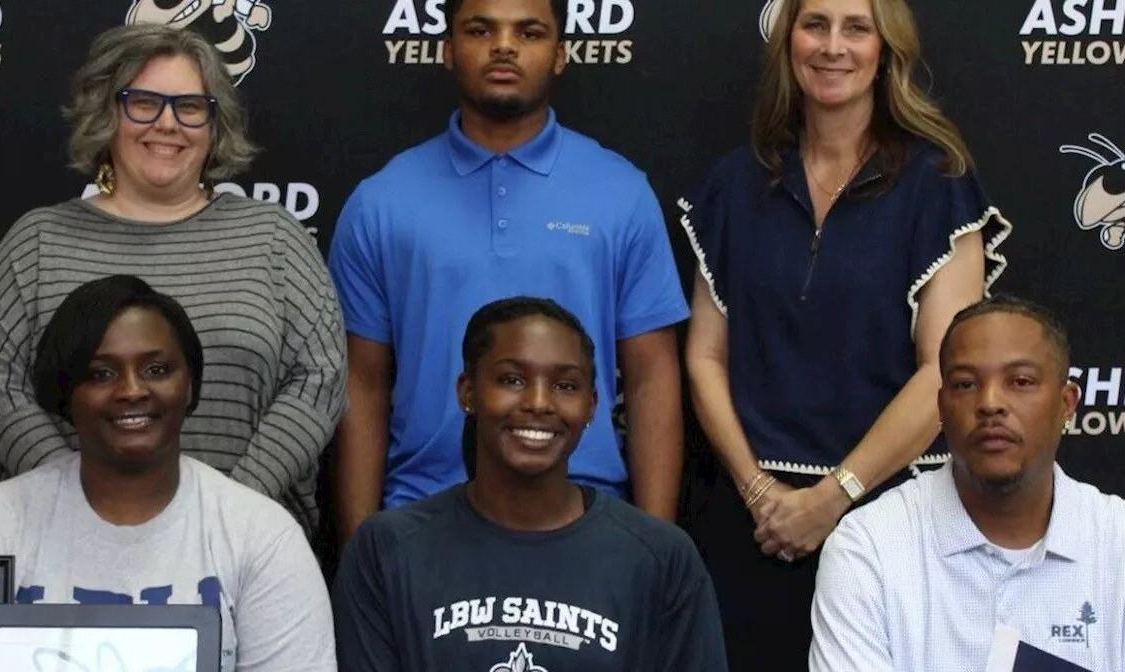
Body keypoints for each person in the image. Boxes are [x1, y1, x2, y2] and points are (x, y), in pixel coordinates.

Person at [681, 0, 1014, 667]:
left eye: (856, 28)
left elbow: (943, 372)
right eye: (816, 24)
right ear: (788, 41)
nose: (833, 46)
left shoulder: (938, 182)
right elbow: (704, 357)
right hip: (753, 521)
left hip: (892, 515)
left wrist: (833, 500)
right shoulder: (734, 182)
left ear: (886, 49)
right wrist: (761, 495)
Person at [328, 0, 689, 547]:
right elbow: (362, 383)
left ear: (560, 54)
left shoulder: (621, 193)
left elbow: (651, 379)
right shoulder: (380, 202)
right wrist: (361, 549)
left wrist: (658, 553)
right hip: (422, 515)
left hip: (587, 518)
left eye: (528, 31)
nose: (503, 45)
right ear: (447, 48)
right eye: (480, 29)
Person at [0, 24, 345, 539]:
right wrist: (81, 505)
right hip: (60, 542)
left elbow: (319, 381)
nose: (168, 124)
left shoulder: (272, 237)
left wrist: (228, 510)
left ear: (213, 124)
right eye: (143, 102)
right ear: (106, 113)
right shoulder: (38, 241)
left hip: (241, 543)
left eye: (189, 106)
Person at [0, 275, 336, 672]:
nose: (132, 390)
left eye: (156, 370)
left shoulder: (262, 537)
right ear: (67, 394)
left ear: (190, 386)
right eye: (101, 373)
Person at [331, 296, 727, 671]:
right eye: (512, 379)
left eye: (565, 385)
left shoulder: (661, 558)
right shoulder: (386, 550)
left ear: (591, 405)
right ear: (468, 392)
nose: (539, 402)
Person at [810, 294, 1125, 671]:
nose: (990, 403)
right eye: (965, 384)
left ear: (1068, 403)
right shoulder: (869, 545)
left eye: (1020, 381)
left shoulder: (1116, 540)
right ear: (941, 407)